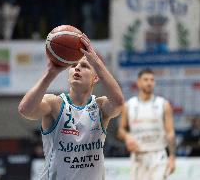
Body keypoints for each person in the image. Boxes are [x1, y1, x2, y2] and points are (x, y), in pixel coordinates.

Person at [18, 34, 124, 180]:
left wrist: (97, 63)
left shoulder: (100, 106)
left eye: (85, 66)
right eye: (73, 65)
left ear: (96, 77)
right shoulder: (55, 103)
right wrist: (50, 73)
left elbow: (119, 103)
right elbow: (25, 110)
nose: (77, 68)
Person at [118, 68, 176, 180]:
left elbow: (170, 133)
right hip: (138, 155)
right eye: (146, 79)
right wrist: (127, 136)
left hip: (158, 154)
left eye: (152, 80)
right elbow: (121, 130)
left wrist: (172, 157)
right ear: (138, 82)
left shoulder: (163, 104)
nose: (149, 82)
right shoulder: (129, 105)